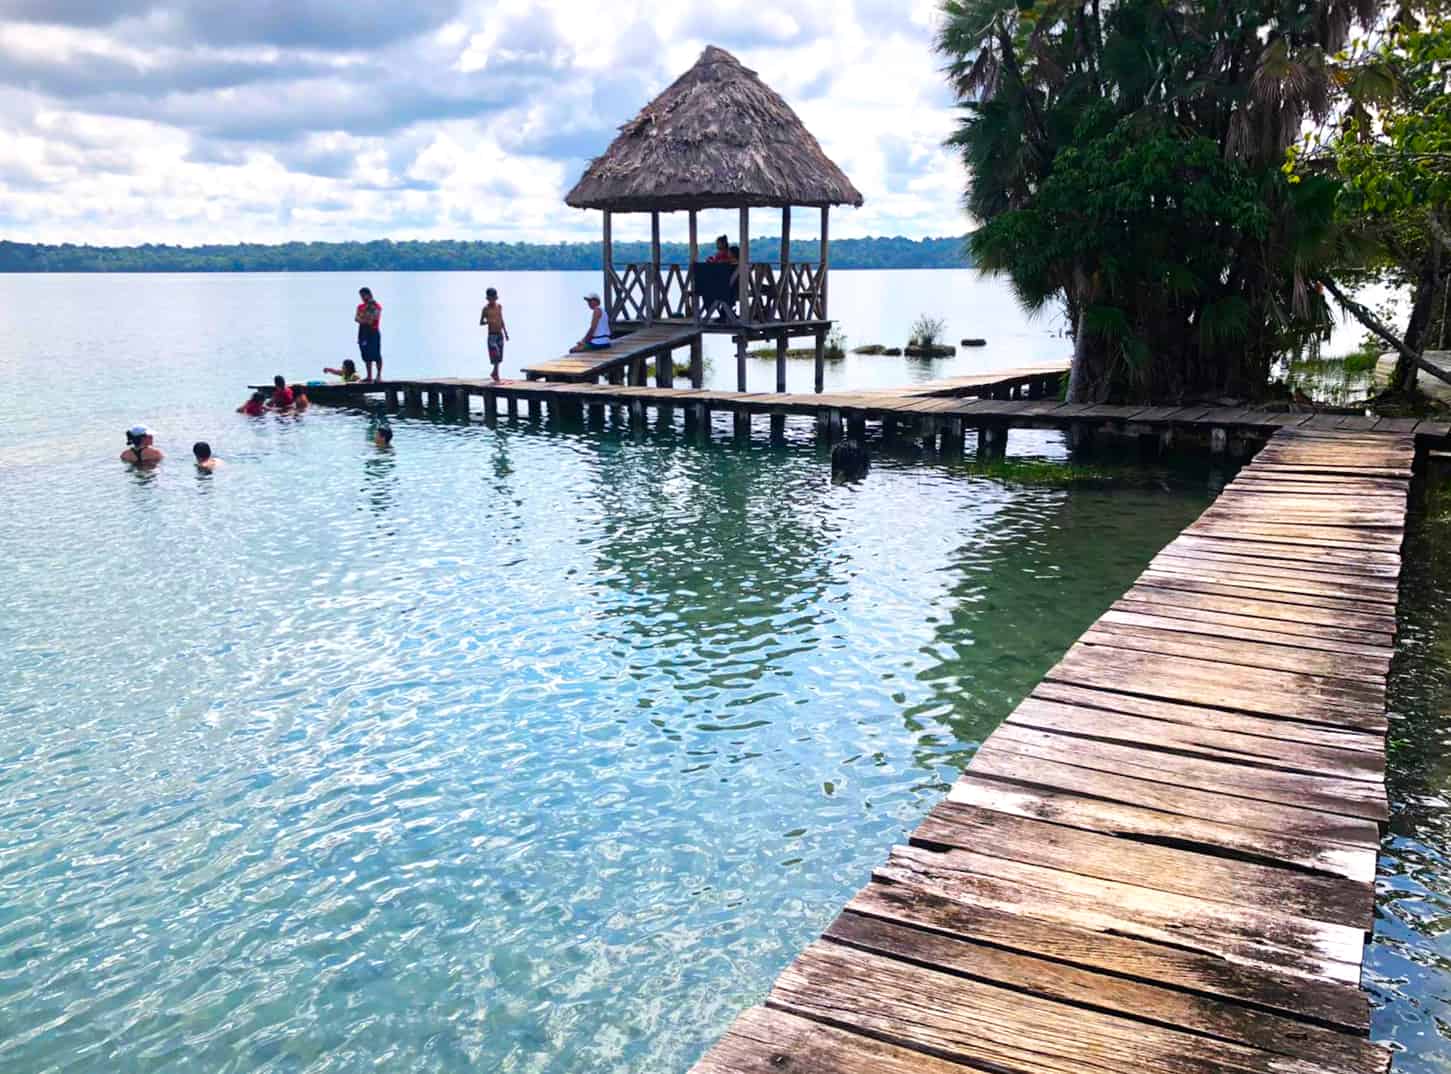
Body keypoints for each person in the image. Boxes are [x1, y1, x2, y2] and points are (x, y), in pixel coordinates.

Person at [480, 287, 508, 382]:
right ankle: (495, 374)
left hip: (500, 334)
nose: (492, 300)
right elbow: (481, 322)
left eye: (494, 298)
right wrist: (488, 321)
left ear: (496, 298)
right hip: (492, 335)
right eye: (490, 298)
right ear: (488, 298)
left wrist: (506, 333)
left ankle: (495, 374)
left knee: (499, 358)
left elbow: (501, 319)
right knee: (496, 353)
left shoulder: (499, 306)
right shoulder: (485, 309)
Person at [355, 286, 383, 382]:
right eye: (361, 296)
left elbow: (372, 320)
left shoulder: (376, 306)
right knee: (365, 354)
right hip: (362, 332)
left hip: (373, 332)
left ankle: (378, 375)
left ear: (369, 295)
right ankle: (369, 376)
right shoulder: (360, 306)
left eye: (364, 295)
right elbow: (357, 318)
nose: (362, 297)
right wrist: (365, 314)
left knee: (376, 354)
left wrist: (364, 317)